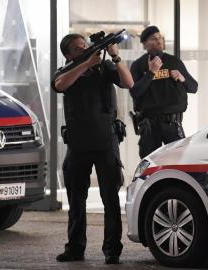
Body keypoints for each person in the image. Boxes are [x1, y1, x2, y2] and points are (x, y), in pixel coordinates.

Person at [51, 33, 133, 264]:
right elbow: (60, 85)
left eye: (85, 45)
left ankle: (112, 250)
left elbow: (128, 83)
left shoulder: (105, 67)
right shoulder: (66, 71)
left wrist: (116, 57)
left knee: (110, 199)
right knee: (76, 200)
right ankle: (75, 248)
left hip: (106, 142)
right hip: (78, 144)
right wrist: (86, 63)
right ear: (69, 54)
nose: (84, 48)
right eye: (79, 48)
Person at [130, 26, 198, 158]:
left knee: (178, 162)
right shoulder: (138, 65)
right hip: (149, 125)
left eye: (160, 38)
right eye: (153, 39)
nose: (158, 41)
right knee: (148, 165)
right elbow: (135, 92)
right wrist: (151, 73)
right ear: (144, 45)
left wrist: (182, 79)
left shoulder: (174, 61)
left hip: (172, 124)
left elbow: (193, 87)